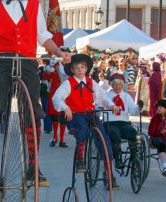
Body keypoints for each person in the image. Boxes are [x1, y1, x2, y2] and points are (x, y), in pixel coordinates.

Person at [0, 0, 71, 183]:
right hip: (0, 60)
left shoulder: (34, 5)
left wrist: (59, 52)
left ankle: (32, 164)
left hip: (27, 60)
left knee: (33, 111)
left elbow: (43, 36)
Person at [52, 54, 118, 189]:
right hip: (76, 115)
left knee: (105, 141)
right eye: (76, 68)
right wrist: (65, 107)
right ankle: (80, 159)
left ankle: (109, 174)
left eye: (82, 67)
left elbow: (102, 97)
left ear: (86, 68)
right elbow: (56, 98)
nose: (80, 70)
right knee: (82, 129)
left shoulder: (91, 82)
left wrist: (111, 105)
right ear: (72, 70)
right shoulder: (68, 83)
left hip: (90, 114)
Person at [102, 73, 143, 169]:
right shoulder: (106, 96)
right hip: (110, 122)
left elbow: (133, 110)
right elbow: (100, 106)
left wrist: (138, 107)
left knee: (133, 132)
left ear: (123, 85)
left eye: (120, 84)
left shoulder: (126, 96)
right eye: (115, 84)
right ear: (111, 85)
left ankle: (133, 157)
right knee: (114, 135)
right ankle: (117, 159)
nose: (117, 87)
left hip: (123, 122)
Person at [42, 59, 68, 148]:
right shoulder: (53, 71)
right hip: (54, 96)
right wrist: (50, 66)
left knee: (64, 118)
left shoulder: (67, 70)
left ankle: (61, 139)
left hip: (65, 97)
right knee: (55, 117)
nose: (56, 67)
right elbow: (45, 76)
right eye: (55, 65)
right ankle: (55, 137)